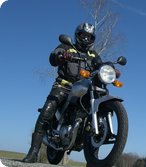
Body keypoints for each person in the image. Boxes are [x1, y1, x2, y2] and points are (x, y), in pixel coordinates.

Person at [22, 22, 101, 163]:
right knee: (47, 111)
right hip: (64, 86)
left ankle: (93, 160)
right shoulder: (67, 47)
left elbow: (99, 63)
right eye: (83, 35)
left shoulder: (92, 54)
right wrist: (61, 56)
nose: (86, 39)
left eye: (89, 37)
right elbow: (53, 58)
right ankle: (33, 152)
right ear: (77, 35)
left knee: (95, 118)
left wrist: (107, 66)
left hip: (84, 89)